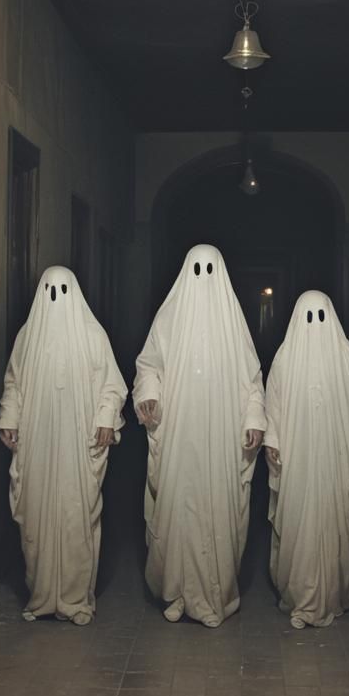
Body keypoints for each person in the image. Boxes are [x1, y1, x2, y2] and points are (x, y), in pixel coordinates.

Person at [134, 244, 266, 627]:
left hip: (221, 437)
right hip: (179, 433)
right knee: (179, 506)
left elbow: (251, 380)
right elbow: (148, 365)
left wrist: (254, 418)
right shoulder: (169, 318)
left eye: (210, 269)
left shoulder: (233, 324)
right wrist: (150, 395)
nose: (203, 277)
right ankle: (176, 591)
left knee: (217, 507)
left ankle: (215, 594)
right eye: (197, 269)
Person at [0, 266, 126, 625]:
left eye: (62, 290)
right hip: (38, 444)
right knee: (36, 518)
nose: (55, 297)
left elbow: (112, 385)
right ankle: (41, 597)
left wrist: (105, 417)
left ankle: (74, 598)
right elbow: (14, 383)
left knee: (75, 516)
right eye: (49, 290)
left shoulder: (92, 335)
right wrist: (9, 418)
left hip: (77, 445)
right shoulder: (28, 336)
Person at [264, 290, 349, 629]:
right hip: (298, 458)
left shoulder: (346, 357)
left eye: (321, 315)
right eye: (308, 316)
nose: (314, 324)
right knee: (299, 521)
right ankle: (300, 597)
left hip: (335, 459)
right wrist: (273, 438)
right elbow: (273, 405)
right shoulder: (285, 358)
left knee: (332, 522)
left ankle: (330, 596)